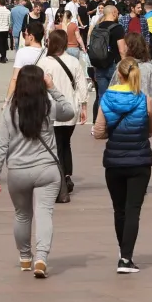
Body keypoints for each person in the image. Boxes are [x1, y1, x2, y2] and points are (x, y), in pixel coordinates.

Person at [0, 63, 75, 277]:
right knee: (44, 213)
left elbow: (1, 145)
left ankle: (25, 257)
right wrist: (52, 87)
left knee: (22, 215)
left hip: (18, 170)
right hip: (47, 170)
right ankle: (41, 258)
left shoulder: (10, 110)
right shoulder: (48, 107)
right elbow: (69, 111)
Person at [94, 56, 152, 274]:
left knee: (119, 209)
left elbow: (99, 131)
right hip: (140, 161)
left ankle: (123, 253)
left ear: (118, 74)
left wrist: (111, 134)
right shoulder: (145, 100)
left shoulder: (107, 98)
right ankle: (126, 258)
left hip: (114, 161)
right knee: (133, 210)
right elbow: (151, 129)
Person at [43, 29, 90, 200]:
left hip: (52, 110)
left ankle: (60, 178)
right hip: (71, 108)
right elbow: (82, 85)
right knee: (65, 143)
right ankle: (67, 175)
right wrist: (84, 106)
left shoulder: (45, 62)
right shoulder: (74, 61)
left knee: (55, 146)